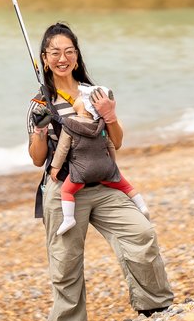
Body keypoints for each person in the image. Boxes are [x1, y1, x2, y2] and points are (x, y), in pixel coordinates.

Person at [25, 23, 173, 321]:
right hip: (64, 189)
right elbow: (38, 160)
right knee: (65, 260)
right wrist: (39, 131)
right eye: (55, 53)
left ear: (77, 57)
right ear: (44, 60)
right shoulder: (40, 103)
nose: (62, 58)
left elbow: (116, 142)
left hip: (105, 184)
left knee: (141, 232)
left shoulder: (99, 93)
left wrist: (110, 116)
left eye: (69, 51)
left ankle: (155, 305)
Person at [48, 84, 150, 235]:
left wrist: (55, 166)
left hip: (83, 172)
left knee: (66, 191)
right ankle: (142, 207)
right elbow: (110, 145)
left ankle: (69, 218)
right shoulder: (101, 125)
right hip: (105, 169)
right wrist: (112, 165)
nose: (75, 99)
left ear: (84, 105)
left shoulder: (70, 125)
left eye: (79, 98)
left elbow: (63, 149)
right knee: (126, 187)